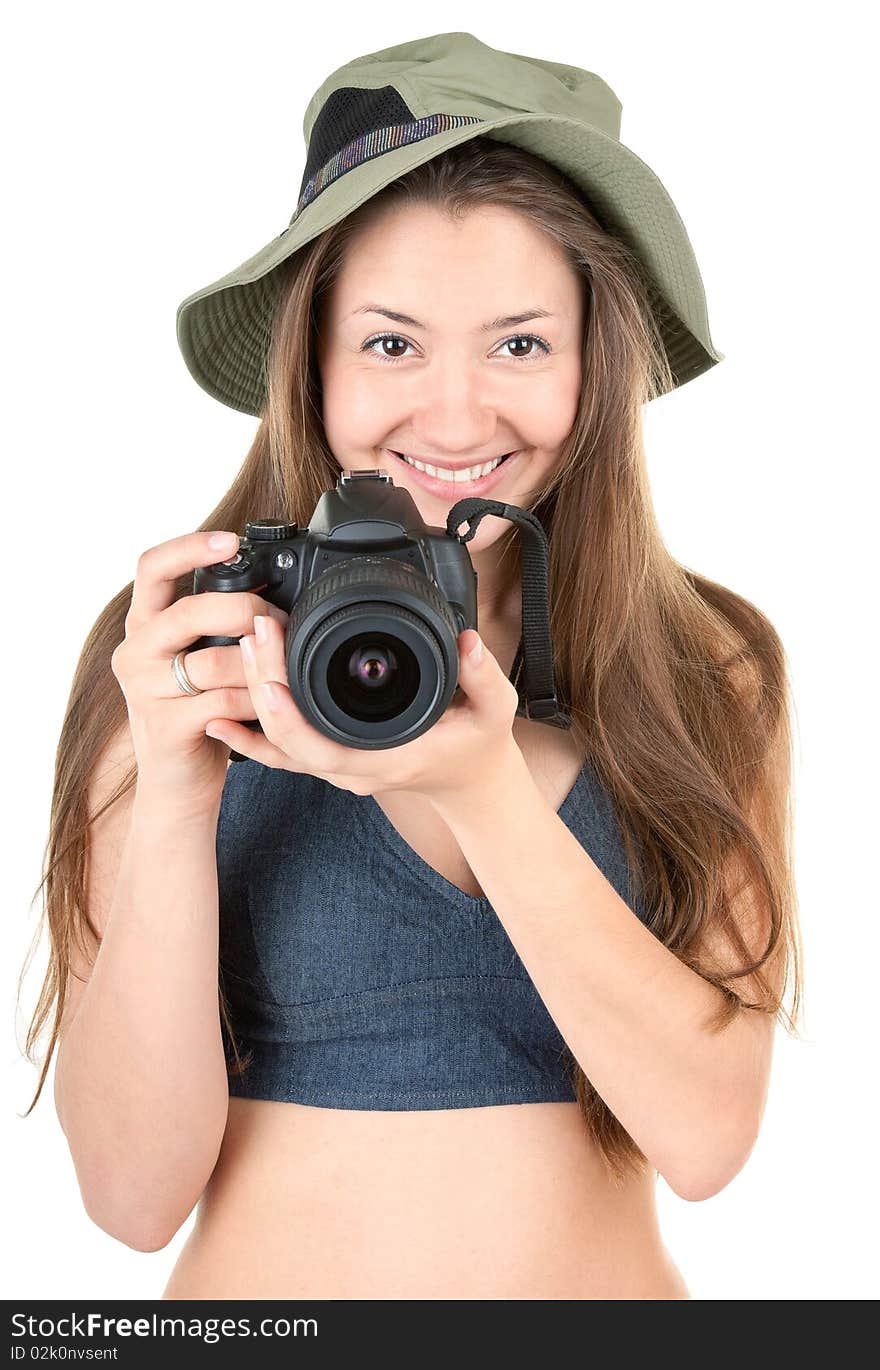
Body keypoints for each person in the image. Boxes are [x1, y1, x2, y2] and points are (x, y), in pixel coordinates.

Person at [23, 32, 802, 1300]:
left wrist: (484, 785)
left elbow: (710, 1138)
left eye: (519, 344)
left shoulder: (703, 664)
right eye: (391, 344)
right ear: (312, 361)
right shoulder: (183, 639)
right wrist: (172, 794)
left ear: (593, 365)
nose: (453, 418)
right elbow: (128, 1194)